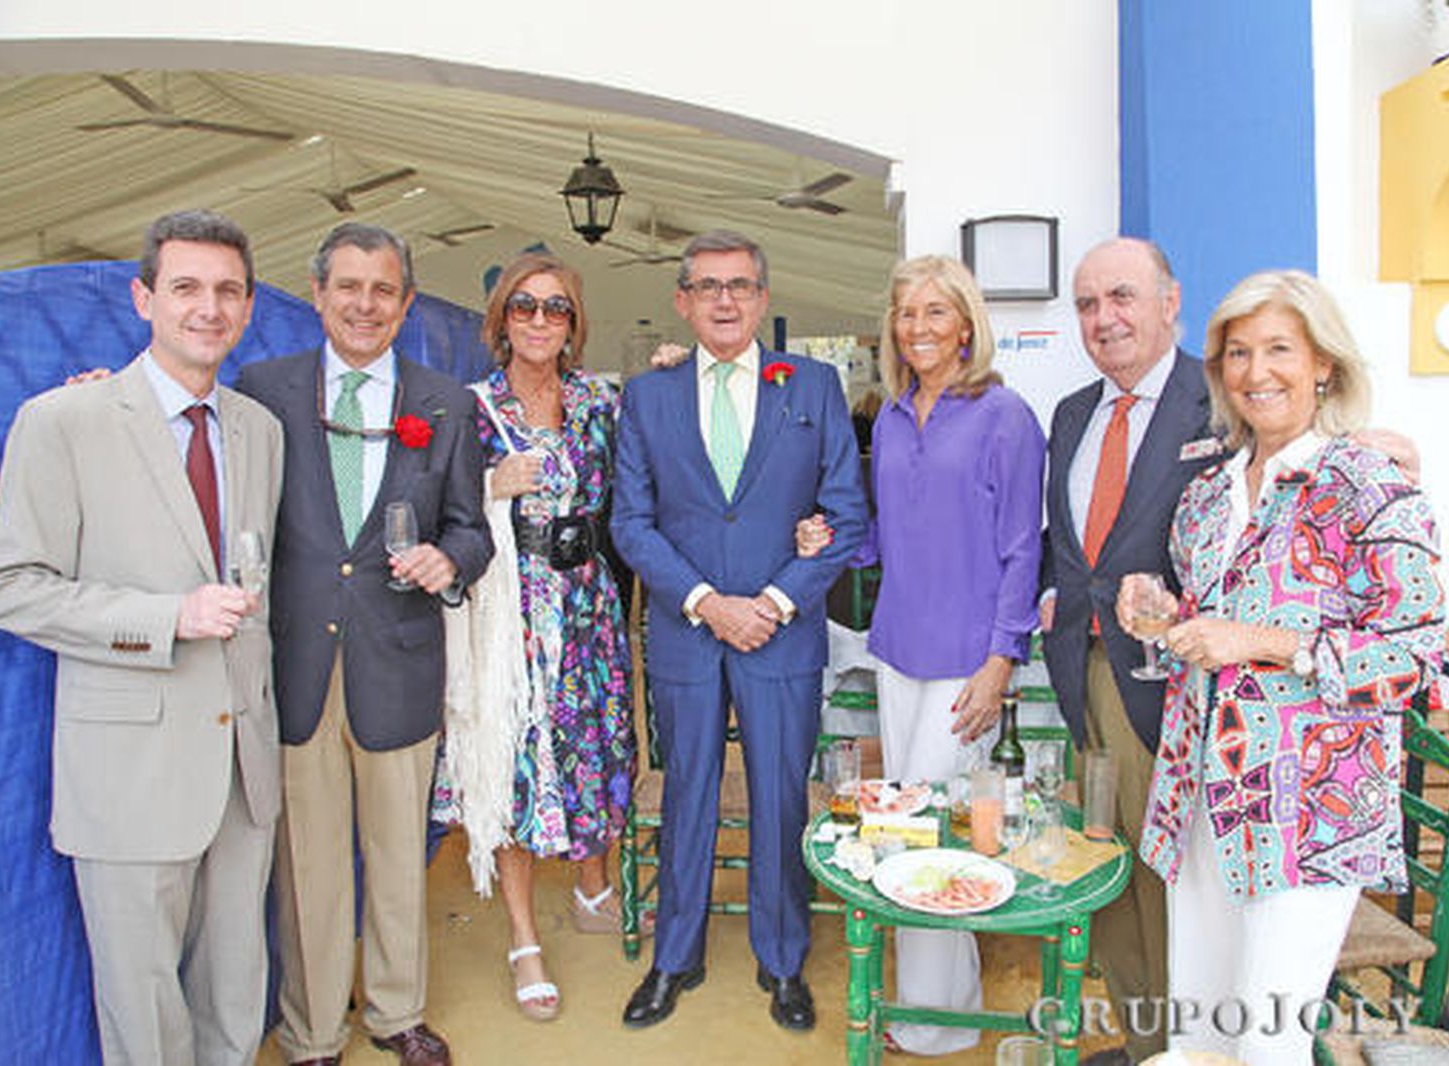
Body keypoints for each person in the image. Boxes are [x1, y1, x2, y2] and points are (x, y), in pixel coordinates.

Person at [0, 209, 283, 1066]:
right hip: (130, 773)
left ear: (249, 307)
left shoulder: (261, 432)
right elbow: (6, 589)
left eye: (227, 291)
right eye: (185, 287)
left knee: (233, 996)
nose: (207, 308)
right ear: (144, 297)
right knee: (143, 1014)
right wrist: (165, 618)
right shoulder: (63, 422)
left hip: (242, 770)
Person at [1119, 269, 1444, 1065]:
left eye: (1278, 350)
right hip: (1199, 802)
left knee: (1266, 1045)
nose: (1255, 372)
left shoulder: (1367, 484)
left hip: (1307, 814)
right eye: (1237, 353)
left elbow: (1415, 658)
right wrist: (1158, 609)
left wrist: (1262, 640)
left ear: (1323, 364)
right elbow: (1206, 623)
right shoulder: (1205, 496)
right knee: (1198, 1035)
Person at [236, 223, 491, 1066]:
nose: (364, 305)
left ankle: (395, 1013)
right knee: (305, 865)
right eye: (348, 286)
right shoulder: (263, 391)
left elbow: (472, 529)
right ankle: (310, 1032)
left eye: (383, 290)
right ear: (316, 294)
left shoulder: (444, 401)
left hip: (401, 658)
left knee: (394, 855)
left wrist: (446, 557)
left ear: (406, 302)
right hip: (296, 662)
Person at [610, 229, 868, 1032]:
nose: (726, 300)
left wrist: (776, 603)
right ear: (683, 301)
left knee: (781, 796)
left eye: (742, 286)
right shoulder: (647, 397)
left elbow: (846, 512)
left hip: (781, 633)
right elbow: (632, 523)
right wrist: (707, 602)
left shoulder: (814, 386)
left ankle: (783, 958)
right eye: (709, 286)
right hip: (689, 632)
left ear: (763, 299)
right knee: (688, 792)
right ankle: (674, 957)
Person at [799, 254, 1044, 1055]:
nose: (919, 328)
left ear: (966, 324)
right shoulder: (897, 414)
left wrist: (1002, 660)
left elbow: (1020, 551)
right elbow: (887, 538)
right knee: (908, 835)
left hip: (967, 661)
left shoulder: (1004, 416)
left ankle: (931, 1025)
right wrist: (830, 540)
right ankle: (944, 998)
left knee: (935, 841)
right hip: (898, 650)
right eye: (907, 313)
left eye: (937, 312)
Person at [436, 252, 636, 1022]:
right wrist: (491, 485)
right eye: (525, 306)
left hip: (587, 606)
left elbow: (645, 485)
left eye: (557, 308)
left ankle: (592, 885)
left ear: (575, 324)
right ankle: (524, 937)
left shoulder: (597, 403)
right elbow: (428, 501)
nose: (541, 321)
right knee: (512, 762)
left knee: (596, 747)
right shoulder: (470, 406)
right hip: (507, 612)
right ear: (501, 319)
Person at [1041, 237, 1215, 1065]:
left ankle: (1187, 1049)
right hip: (1086, 675)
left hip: (1176, 694)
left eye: (1121, 297)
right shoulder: (1073, 414)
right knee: (1103, 874)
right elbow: (1072, 546)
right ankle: (1145, 1044)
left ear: (1169, 301)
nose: (1103, 319)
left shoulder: (1217, 402)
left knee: (1169, 883)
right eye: (1086, 304)